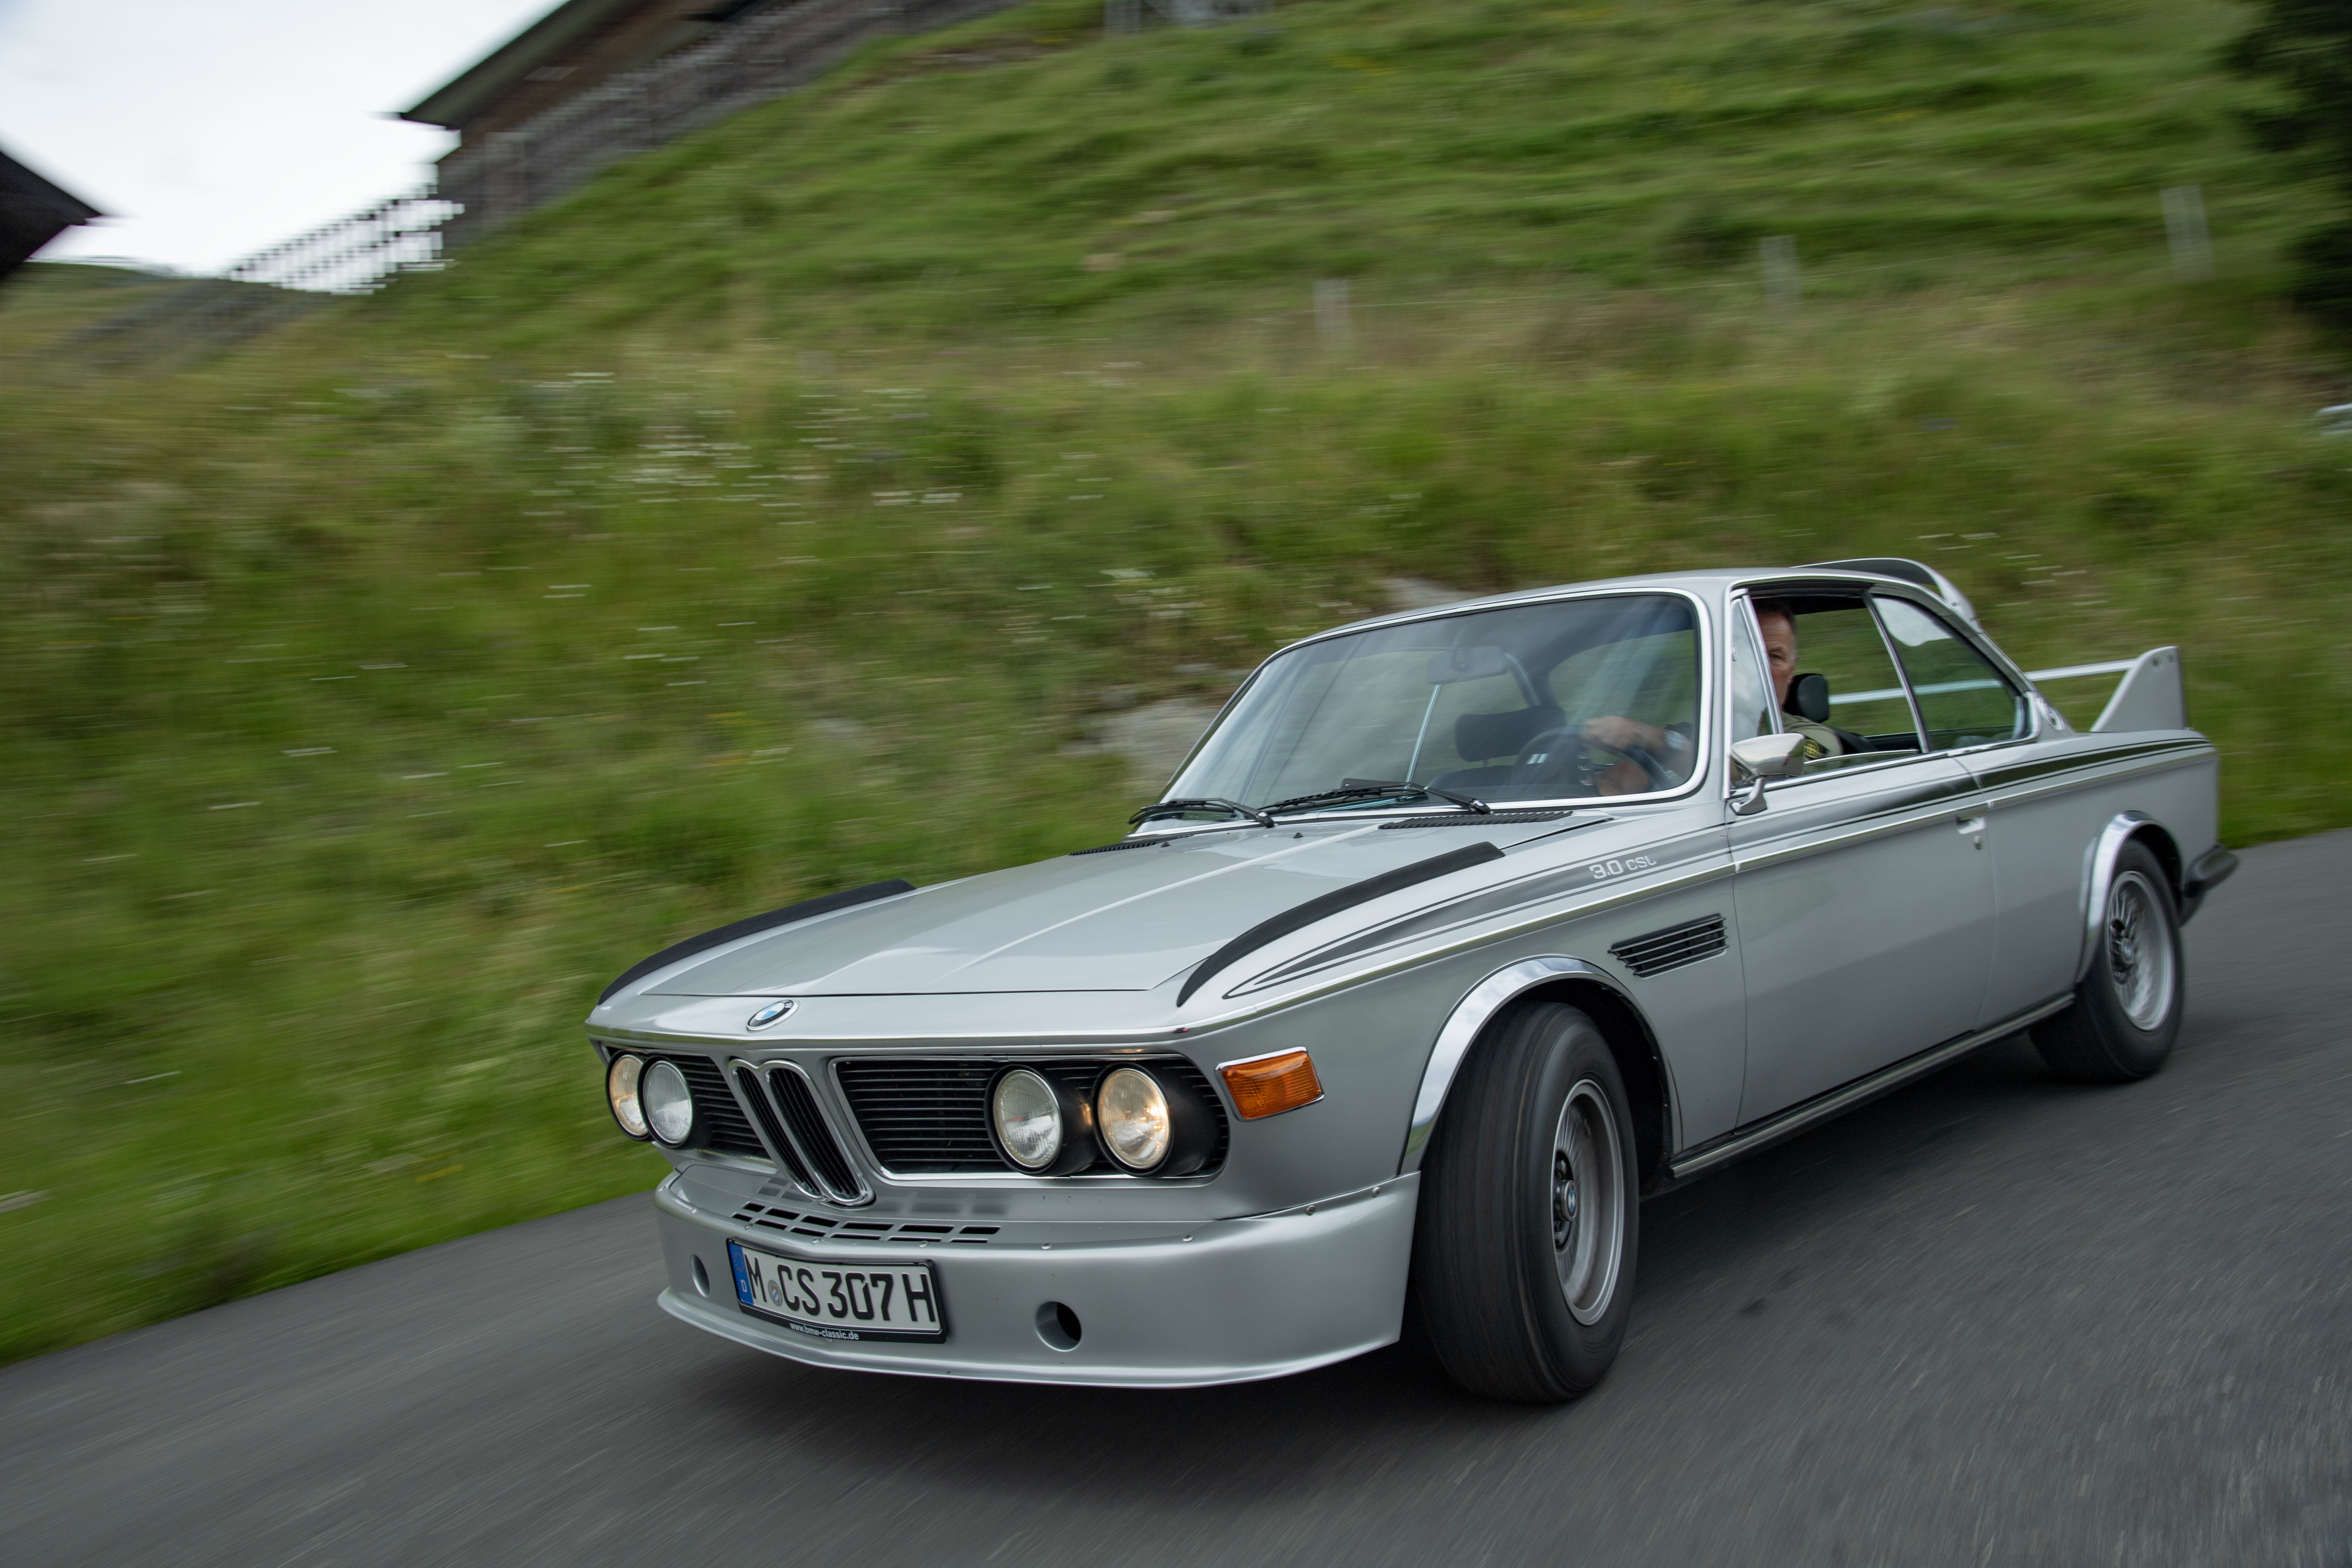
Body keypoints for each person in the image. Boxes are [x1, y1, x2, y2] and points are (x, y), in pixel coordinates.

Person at [1753, 599, 1846, 758]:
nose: (1760, 668)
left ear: (1792, 670)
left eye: (1775, 657)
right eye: (1748, 654)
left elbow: (1787, 765)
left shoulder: (1812, 736)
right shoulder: (1705, 729)